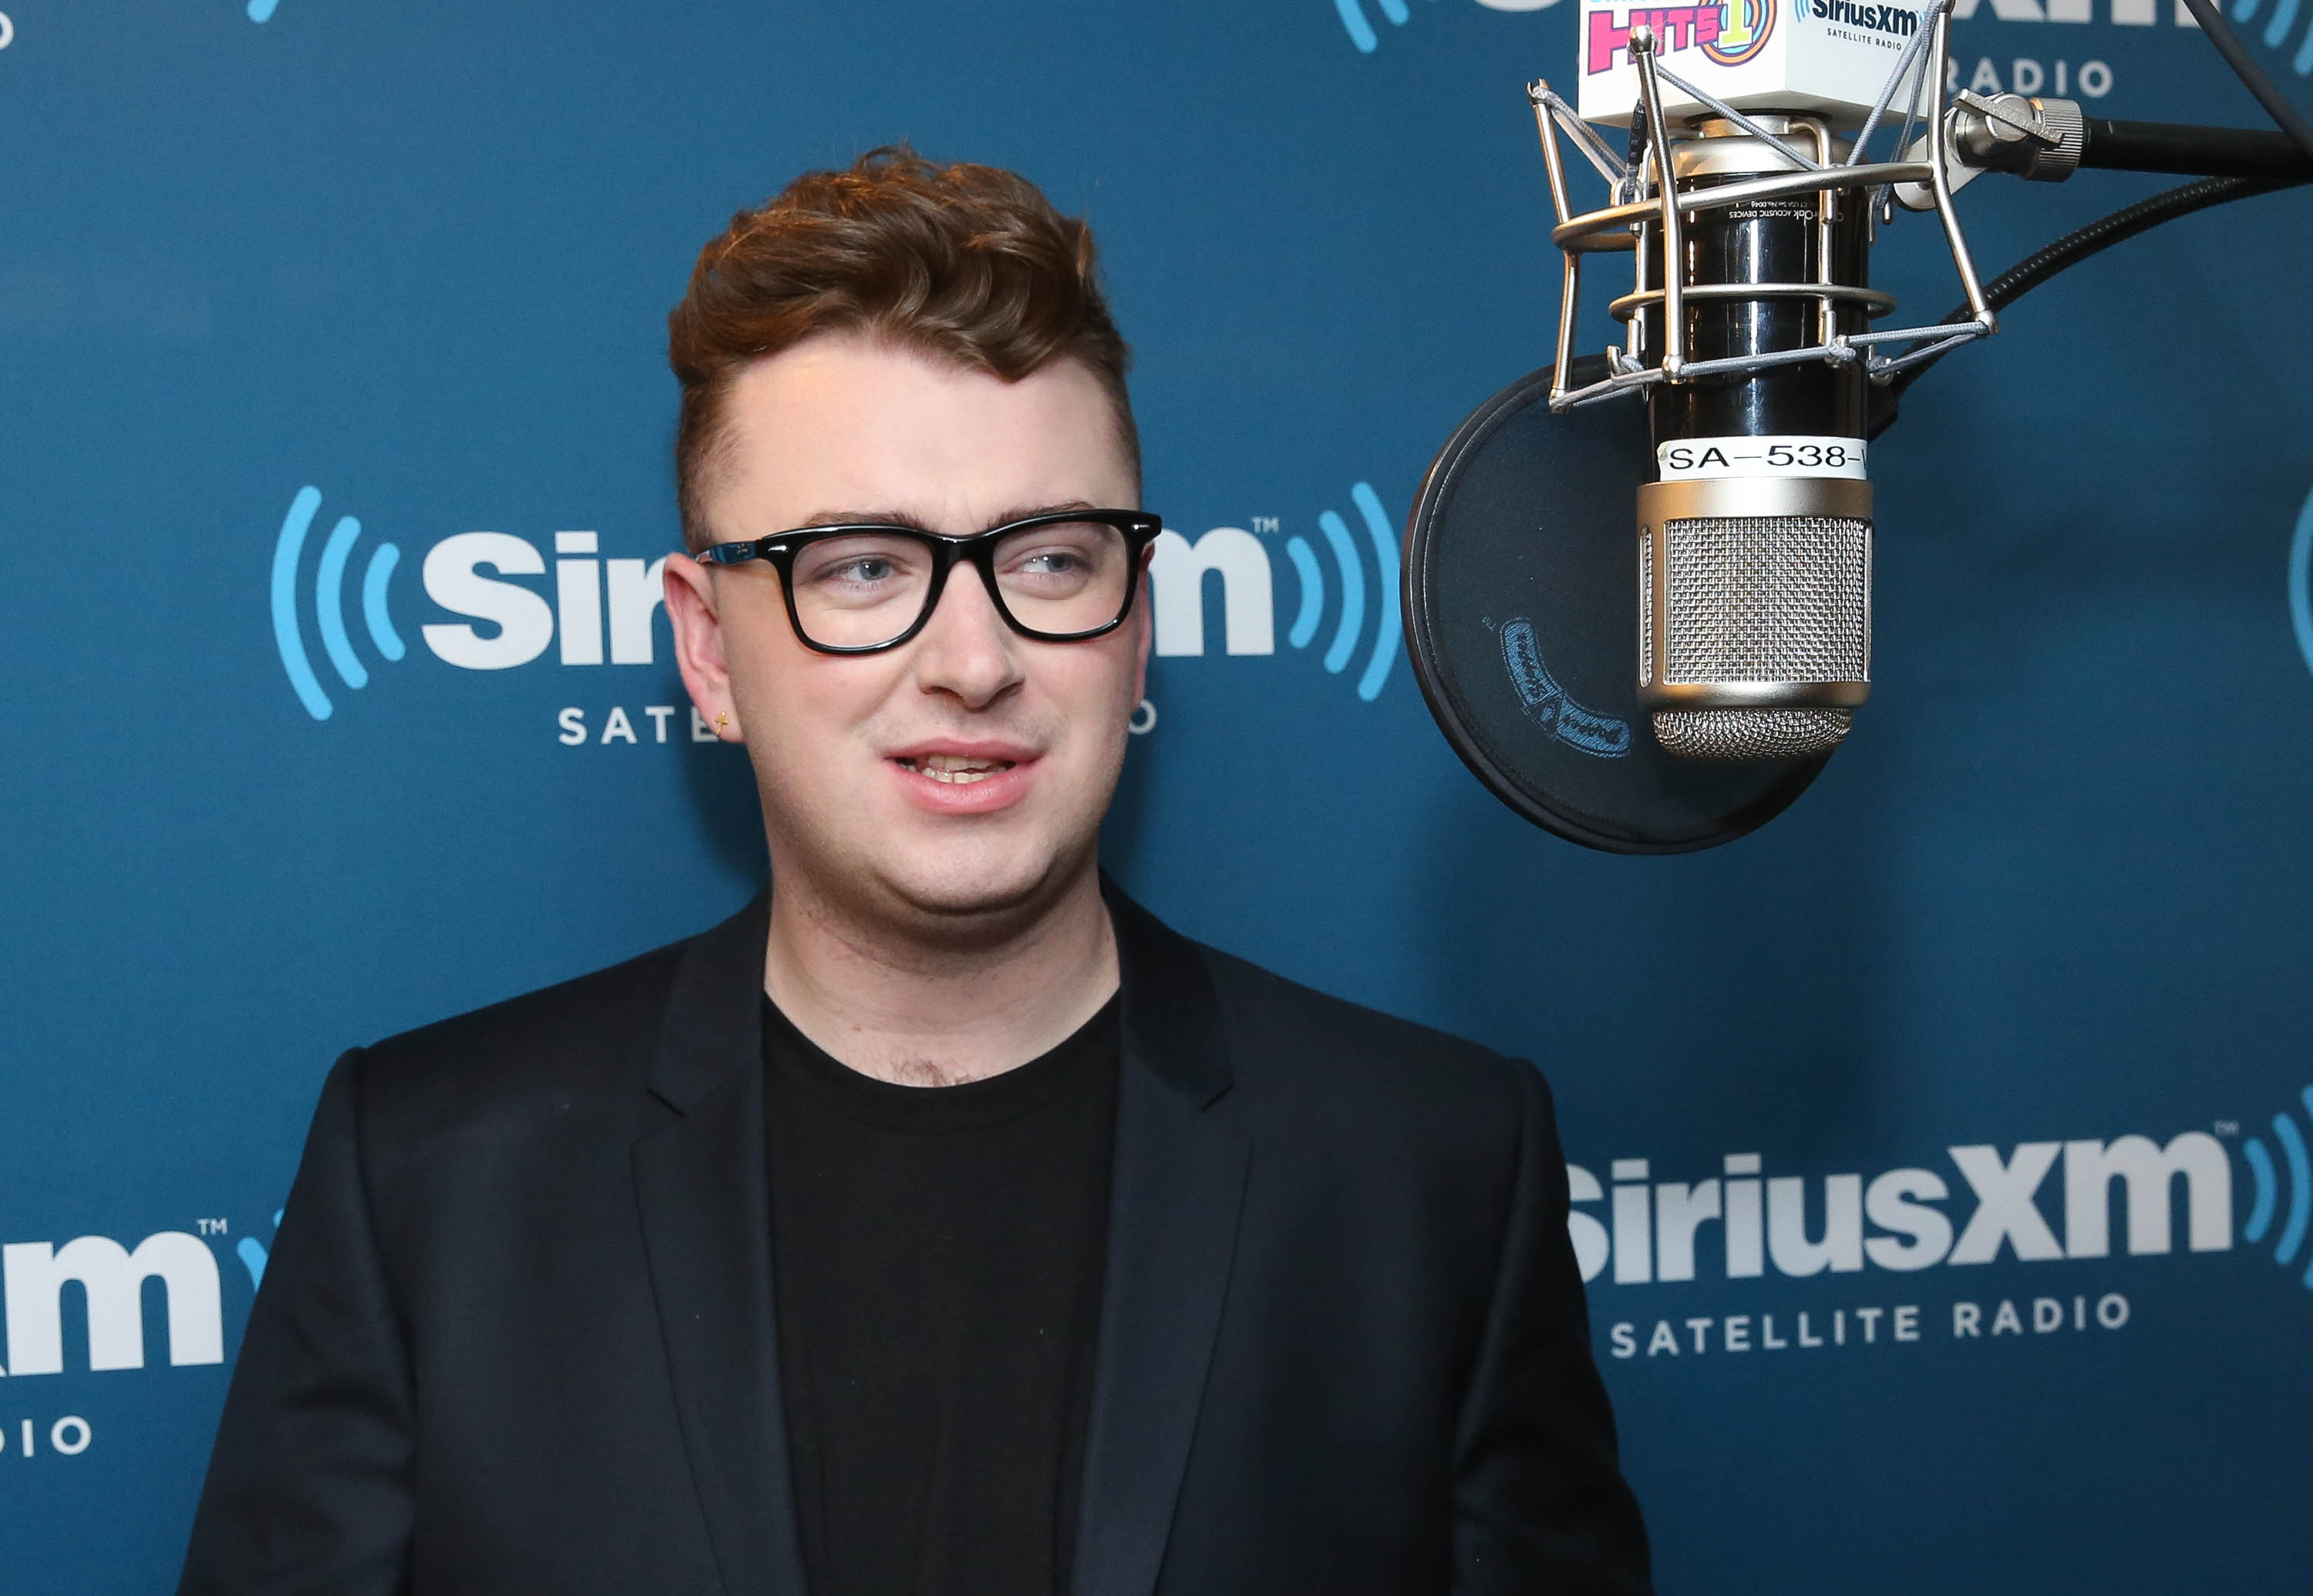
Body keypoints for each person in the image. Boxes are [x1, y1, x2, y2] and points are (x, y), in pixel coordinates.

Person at [179, 147, 1651, 1596]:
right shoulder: (430, 1182)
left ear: (1138, 621)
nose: (975, 661)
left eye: (1055, 558)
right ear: (706, 650)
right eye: (864, 567)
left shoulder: (1432, 1168)